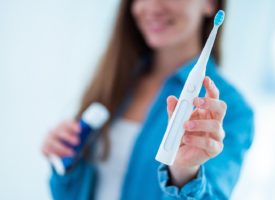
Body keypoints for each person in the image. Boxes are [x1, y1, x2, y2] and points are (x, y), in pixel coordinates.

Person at [42, 0, 254, 199]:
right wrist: (65, 162)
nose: (152, 6)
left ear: (210, 3)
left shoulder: (231, 110)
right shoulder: (114, 81)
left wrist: (184, 173)